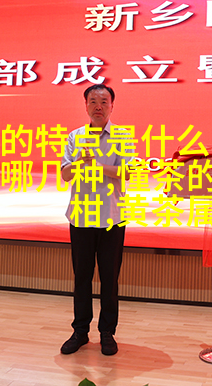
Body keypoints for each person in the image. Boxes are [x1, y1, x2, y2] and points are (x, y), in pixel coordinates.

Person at [59, 84, 134, 356]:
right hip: (81, 217)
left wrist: (99, 166)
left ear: (112, 106)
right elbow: (65, 174)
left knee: (109, 279)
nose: (98, 106)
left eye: (104, 101)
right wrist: (79, 162)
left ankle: (107, 333)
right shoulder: (75, 137)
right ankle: (80, 331)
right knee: (81, 278)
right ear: (86, 106)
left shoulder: (122, 137)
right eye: (93, 101)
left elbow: (127, 172)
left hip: (112, 217)